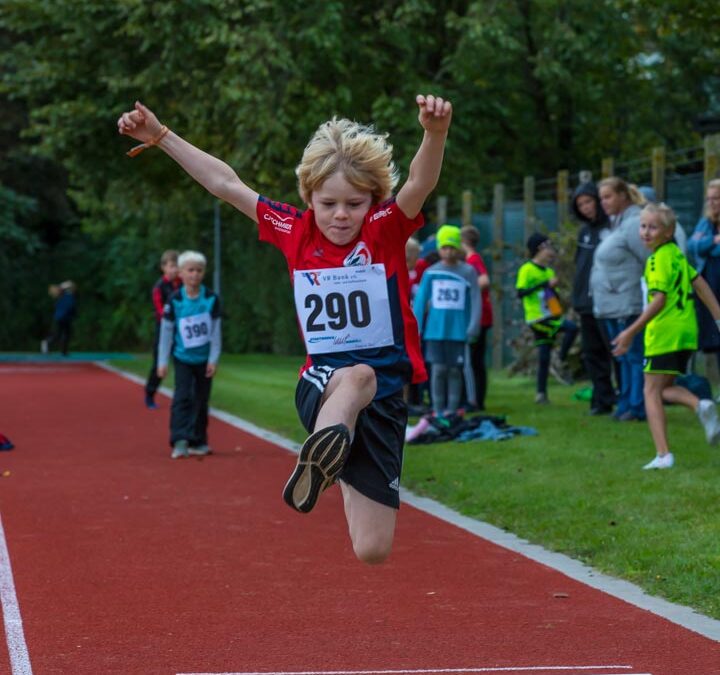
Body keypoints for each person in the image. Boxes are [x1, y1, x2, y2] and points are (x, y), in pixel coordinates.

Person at [118, 94, 452, 564]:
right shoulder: (295, 230)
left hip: (386, 400)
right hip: (323, 384)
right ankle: (325, 445)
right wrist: (161, 137)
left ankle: (336, 458)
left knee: (372, 550)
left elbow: (420, 181)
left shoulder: (385, 228)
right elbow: (226, 183)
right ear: (308, 199)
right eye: (328, 203)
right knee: (359, 375)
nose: (341, 215)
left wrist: (434, 133)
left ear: (372, 201)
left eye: (354, 204)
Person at [612, 203, 720, 469]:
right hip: (685, 332)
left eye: (653, 227)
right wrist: (718, 316)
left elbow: (659, 300)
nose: (646, 232)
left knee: (649, 390)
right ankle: (701, 405)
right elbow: (699, 283)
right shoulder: (676, 255)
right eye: (643, 226)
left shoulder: (657, 259)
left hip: (664, 333)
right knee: (663, 388)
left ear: (669, 232)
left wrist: (629, 331)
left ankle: (663, 455)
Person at [591, 177, 648, 421]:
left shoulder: (635, 223)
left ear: (623, 196)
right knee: (623, 357)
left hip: (627, 303)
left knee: (634, 356)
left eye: (608, 196)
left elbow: (648, 259)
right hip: (611, 305)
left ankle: (637, 407)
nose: (603, 202)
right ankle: (625, 403)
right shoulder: (617, 224)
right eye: (601, 198)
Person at [157, 250, 222, 460]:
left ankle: (198, 440)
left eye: (199, 270)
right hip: (182, 357)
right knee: (182, 397)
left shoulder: (211, 298)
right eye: (190, 270)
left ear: (203, 273)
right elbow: (166, 332)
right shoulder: (174, 300)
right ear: (181, 274)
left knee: (201, 400)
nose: (194, 274)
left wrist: (213, 359)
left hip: (204, 360)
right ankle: (180, 440)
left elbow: (215, 332)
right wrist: (162, 361)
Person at [413, 224, 480, 417]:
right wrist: (416, 328)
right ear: (439, 248)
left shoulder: (468, 272)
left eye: (452, 247)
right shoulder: (431, 273)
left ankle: (452, 410)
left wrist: (473, 325)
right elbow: (420, 302)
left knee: (454, 371)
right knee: (438, 370)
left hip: (458, 331)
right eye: (444, 247)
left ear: (459, 247)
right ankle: (437, 410)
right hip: (435, 331)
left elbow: (475, 299)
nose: (449, 252)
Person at [516, 233, 578, 404]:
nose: (551, 251)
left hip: (550, 314)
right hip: (537, 318)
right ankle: (562, 359)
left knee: (544, 356)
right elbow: (520, 292)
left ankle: (541, 394)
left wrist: (555, 298)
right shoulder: (527, 269)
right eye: (547, 247)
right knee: (572, 328)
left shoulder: (549, 271)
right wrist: (543, 285)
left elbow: (551, 296)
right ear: (538, 250)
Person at [570, 182, 615, 415]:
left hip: (607, 301)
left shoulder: (611, 227)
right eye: (581, 204)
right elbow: (580, 266)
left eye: (588, 201)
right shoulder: (584, 232)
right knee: (592, 353)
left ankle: (624, 397)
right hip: (585, 304)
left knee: (613, 350)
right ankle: (601, 400)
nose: (586, 207)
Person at [688, 179, 720, 381]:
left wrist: (708, 246)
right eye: (709, 199)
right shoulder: (706, 221)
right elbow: (694, 246)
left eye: (716, 198)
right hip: (711, 284)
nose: (712, 203)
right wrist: (714, 241)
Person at [461, 224, 493, 410]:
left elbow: (484, 281)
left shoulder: (472, 260)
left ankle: (475, 401)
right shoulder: (473, 259)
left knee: (474, 360)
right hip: (482, 316)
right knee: (475, 360)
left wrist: (466, 292)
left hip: (479, 317)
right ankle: (476, 400)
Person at [144, 249, 181, 409]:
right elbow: (161, 311)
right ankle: (150, 393)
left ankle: (184, 397)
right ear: (163, 267)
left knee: (182, 362)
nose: (174, 269)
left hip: (182, 330)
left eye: (177, 266)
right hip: (164, 330)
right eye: (171, 266)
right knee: (159, 363)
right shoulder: (159, 288)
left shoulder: (183, 283)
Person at [41, 281, 77, 356]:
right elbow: (68, 286)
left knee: (67, 334)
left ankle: (64, 351)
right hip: (61, 317)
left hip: (66, 317)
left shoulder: (68, 295)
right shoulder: (62, 295)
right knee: (58, 334)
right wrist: (62, 287)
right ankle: (47, 343)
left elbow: (71, 285)